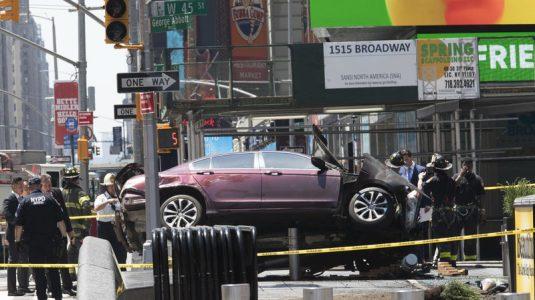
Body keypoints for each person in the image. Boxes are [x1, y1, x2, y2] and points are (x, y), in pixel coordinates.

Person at [14, 177, 67, 300]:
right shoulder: (50, 199)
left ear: (31, 187)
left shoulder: (25, 202)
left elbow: (18, 225)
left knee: (38, 273)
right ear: (40, 186)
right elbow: (60, 221)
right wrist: (64, 237)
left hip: (33, 244)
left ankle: (42, 297)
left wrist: (17, 241)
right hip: (50, 242)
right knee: (53, 271)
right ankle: (57, 297)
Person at [422, 154, 464, 275]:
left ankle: (445, 263)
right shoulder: (451, 181)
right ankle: (453, 263)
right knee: (452, 239)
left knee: (442, 238)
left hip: (439, 215)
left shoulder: (432, 181)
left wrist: (422, 178)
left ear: (434, 168)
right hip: (452, 214)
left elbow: (423, 189)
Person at [41, 174, 77, 296]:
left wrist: (70, 232)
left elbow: (64, 214)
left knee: (63, 259)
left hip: (59, 232)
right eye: (46, 185)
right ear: (41, 185)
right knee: (49, 262)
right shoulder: (38, 195)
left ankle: (67, 286)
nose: (49, 187)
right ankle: (51, 288)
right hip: (46, 233)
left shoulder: (56, 192)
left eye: (50, 184)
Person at [2, 177, 32, 296]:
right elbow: (8, 215)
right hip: (13, 235)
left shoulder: (22, 199)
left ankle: (23, 286)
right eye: (19, 185)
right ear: (13, 186)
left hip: (23, 235)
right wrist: (19, 224)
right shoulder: (10, 199)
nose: (22, 187)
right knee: (13, 261)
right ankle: (12, 290)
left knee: (24, 260)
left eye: (22, 185)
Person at [61, 167, 91, 280]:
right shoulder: (80, 192)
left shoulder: (62, 193)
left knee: (70, 252)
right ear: (75, 179)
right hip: (78, 229)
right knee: (82, 252)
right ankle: (84, 276)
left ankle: (71, 274)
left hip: (64, 229)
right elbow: (87, 205)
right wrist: (85, 226)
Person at [453, 158, 485, 261]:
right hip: (457, 209)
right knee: (454, 235)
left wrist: (482, 209)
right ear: (462, 166)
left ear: (472, 166)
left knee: (470, 237)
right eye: (465, 165)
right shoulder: (456, 177)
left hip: (471, 209)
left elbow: (481, 195)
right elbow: (452, 187)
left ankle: (470, 259)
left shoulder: (477, 178)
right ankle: (453, 258)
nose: (467, 167)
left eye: (469, 165)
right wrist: (461, 175)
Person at [94, 173, 127, 263]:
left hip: (117, 226)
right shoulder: (101, 197)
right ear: (106, 187)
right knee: (105, 252)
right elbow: (96, 208)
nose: (113, 188)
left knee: (121, 250)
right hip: (104, 227)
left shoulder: (120, 197)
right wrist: (107, 201)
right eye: (110, 186)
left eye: (114, 186)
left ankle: (122, 270)